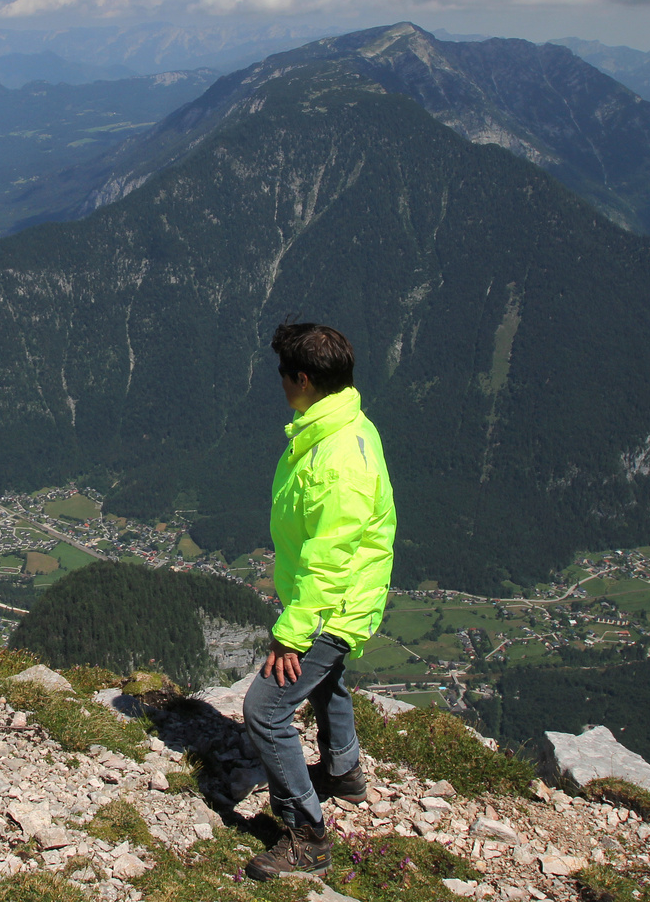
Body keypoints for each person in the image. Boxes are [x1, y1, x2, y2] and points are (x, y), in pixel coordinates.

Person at [241, 322, 396, 882]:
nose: (279, 384)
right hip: (336, 597)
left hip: (332, 606)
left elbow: (330, 561)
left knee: (264, 710)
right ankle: (343, 773)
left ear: (302, 379)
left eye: (283, 374)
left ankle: (307, 838)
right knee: (327, 680)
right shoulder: (342, 424)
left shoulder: (336, 460)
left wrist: (293, 631)